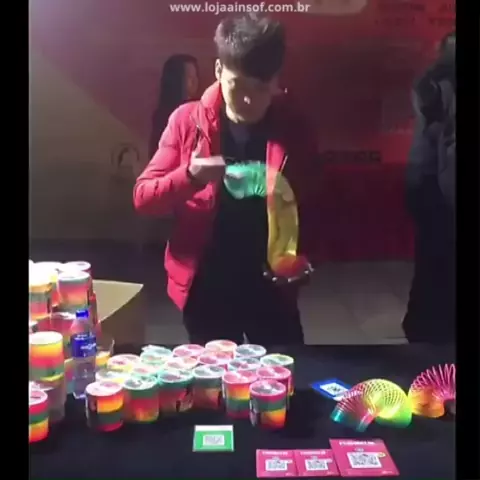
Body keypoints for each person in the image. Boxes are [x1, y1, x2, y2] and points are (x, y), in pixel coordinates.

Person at [134, 14, 318, 346]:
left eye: (260, 88)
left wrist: (303, 258)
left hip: (270, 287)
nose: (248, 100)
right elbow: (144, 198)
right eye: (238, 85)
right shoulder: (187, 121)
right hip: (207, 286)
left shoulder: (294, 126)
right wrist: (190, 176)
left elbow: (315, 201)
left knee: (288, 369)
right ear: (218, 70)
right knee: (213, 375)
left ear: (276, 82)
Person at [402, 32, 456, 343]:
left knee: (431, 272)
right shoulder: (440, 88)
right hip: (441, 196)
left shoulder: (429, 84)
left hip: (430, 192)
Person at [148, 54, 200, 158]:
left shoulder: (200, 111)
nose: (195, 81)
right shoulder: (163, 116)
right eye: (189, 77)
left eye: (195, 76)